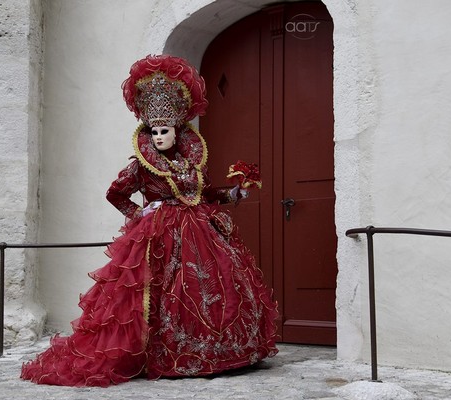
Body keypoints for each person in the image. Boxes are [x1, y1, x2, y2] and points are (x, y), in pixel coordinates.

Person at [20, 54, 278, 387]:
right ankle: (160, 353)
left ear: (177, 130)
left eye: (165, 130)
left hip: (201, 231)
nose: (158, 136)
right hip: (158, 235)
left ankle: (217, 350)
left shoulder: (193, 162)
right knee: (157, 292)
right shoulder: (142, 166)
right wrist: (140, 213)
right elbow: (116, 194)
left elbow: (206, 194)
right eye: (154, 130)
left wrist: (238, 192)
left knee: (215, 285)